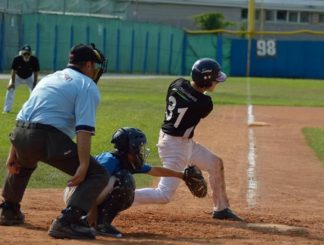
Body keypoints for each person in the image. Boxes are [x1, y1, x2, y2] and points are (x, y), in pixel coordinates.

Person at [0, 43, 109, 240]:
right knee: (98, 173)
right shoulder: (86, 85)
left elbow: (24, 116)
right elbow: (84, 130)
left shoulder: (50, 78)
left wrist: (13, 153)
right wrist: (84, 165)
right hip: (46, 137)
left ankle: (8, 209)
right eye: (95, 67)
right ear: (87, 65)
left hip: (20, 133)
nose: (96, 72)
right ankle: (69, 221)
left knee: (23, 164)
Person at [133, 58, 243, 221]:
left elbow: (189, 96)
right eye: (214, 80)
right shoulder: (205, 103)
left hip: (180, 141)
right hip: (175, 147)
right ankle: (119, 197)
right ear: (205, 80)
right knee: (164, 195)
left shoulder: (176, 83)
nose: (216, 83)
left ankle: (221, 209)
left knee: (215, 164)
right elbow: (196, 101)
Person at [63, 127, 187, 238]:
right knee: (124, 179)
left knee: (124, 184)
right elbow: (90, 185)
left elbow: (154, 170)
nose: (141, 150)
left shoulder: (126, 160)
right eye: (138, 146)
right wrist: (92, 212)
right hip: (78, 195)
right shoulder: (110, 160)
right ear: (130, 147)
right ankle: (99, 224)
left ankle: (99, 222)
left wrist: (181, 175)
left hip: (84, 193)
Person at [3, 44, 40, 113]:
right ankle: (7, 110)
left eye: (28, 54)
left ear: (30, 54)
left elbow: (36, 72)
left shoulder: (34, 60)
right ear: (21, 53)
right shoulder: (17, 59)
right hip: (17, 76)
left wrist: (35, 83)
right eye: (24, 53)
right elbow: (13, 71)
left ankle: (34, 110)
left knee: (35, 92)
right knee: (10, 90)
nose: (26, 55)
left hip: (29, 77)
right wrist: (13, 83)